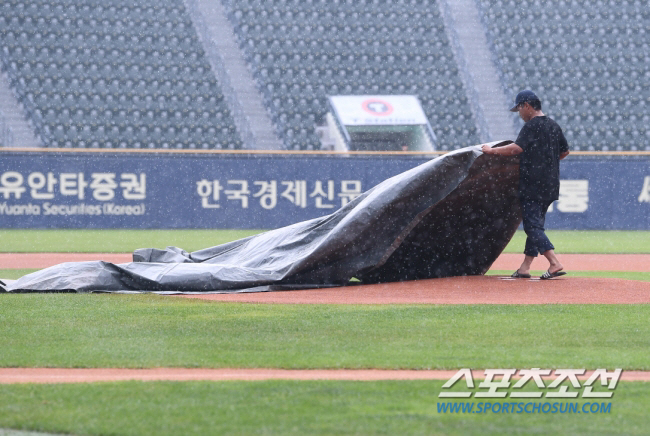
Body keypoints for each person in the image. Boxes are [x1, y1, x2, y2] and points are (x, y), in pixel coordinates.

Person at [482, 90, 570, 280]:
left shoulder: (531, 126)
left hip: (533, 184)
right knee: (536, 226)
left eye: (519, 109)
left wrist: (492, 151)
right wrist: (546, 160)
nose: (520, 114)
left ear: (526, 106)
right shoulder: (554, 126)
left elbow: (516, 148)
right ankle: (525, 267)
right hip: (550, 185)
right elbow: (564, 152)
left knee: (532, 227)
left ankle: (554, 263)